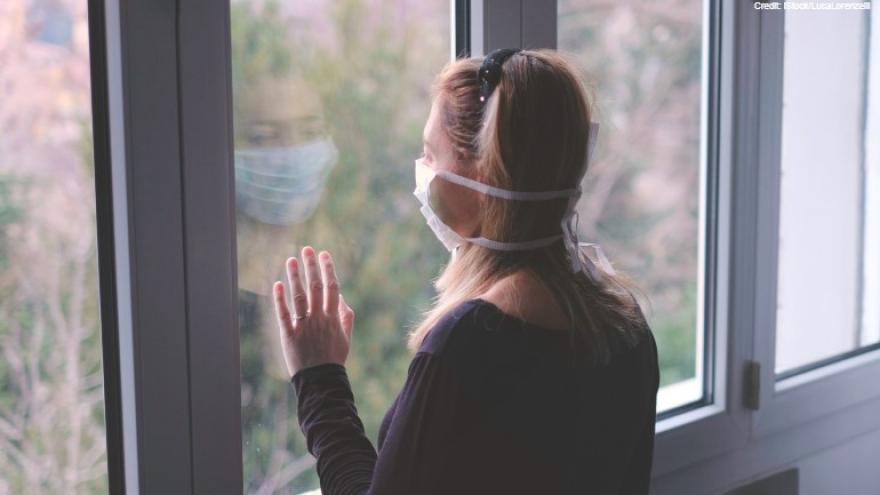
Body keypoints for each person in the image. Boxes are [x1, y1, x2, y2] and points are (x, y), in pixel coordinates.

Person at [272, 48, 660, 494]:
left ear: (483, 175)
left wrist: (319, 378)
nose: (423, 172)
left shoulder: (469, 346)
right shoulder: (624, 324)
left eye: (430, 154)